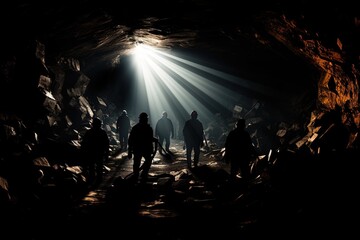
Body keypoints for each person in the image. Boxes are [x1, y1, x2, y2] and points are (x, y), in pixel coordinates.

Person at [127, 112, 158, 183]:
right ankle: (139, 175)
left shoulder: (137, 128)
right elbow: (131, 140)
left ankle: (140, 175)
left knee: (142, 162)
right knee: (142, 162)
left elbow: (131, 140)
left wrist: (130, 151)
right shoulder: (146, 128)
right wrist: (129, 151)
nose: (146, 120)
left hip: (140, 149)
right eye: (145, 119)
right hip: (142, 149)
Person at [81, 117, 110, 184]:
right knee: (99, 167)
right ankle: (98, 180)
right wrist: (106, 154)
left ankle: (92, 179)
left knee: (91, 167)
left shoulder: (89, 132)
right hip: (99, 152)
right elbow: (106, 144)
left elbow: (84, 143)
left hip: (91, 152)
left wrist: (83, 152)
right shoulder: (103, 132)